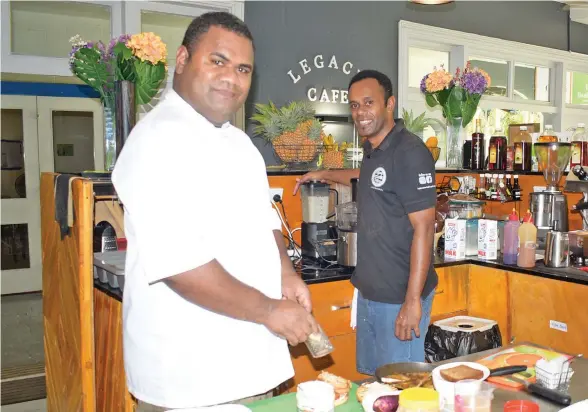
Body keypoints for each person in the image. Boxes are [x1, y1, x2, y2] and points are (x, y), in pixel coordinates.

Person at [112, 12, 318, 411]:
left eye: (243, 69)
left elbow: (264, 219)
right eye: (218, 61)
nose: (232, 78)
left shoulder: (239, 144)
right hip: (191, 378)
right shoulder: (157, 140)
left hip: (250, 362)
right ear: (183, 59)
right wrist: (271, 309)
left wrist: (285, 271)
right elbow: (179, 265)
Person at [294, 70, 438, 375]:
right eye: (355, 105)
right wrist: (322, 174)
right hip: (371, 292)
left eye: (368, 103)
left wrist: (412, 302)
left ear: (390, 104)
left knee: (402, 388)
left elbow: (424, 228)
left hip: (400, 297)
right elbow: (367, 179)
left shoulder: (410, 153)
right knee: (373, 385)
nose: (360, 112)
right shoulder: (374, 148)